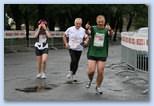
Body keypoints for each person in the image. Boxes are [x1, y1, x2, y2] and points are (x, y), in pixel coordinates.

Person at [85, 15, 112, 94]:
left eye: (102, 21)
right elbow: (88, 32)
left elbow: (110, 34)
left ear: (104, 22)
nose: (100, 23)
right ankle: (90, 80)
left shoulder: (106, 30)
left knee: (100, 71)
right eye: (99, 21)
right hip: (92, 52)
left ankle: (98, 86)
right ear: (97, 22)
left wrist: (110, 30)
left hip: (102, 53)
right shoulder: (93, 28)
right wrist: (87, 28)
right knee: (91, 71)